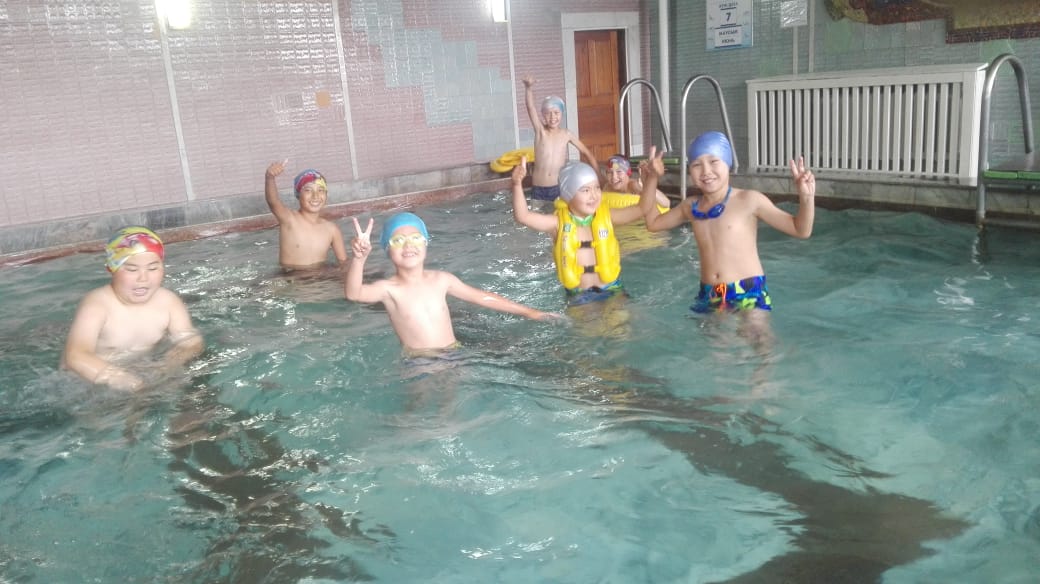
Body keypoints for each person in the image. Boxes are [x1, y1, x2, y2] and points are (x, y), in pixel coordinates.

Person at [639, 131, 816, 316]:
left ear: (728, 163)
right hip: (711, 292)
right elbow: (653, 224)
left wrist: (806, 197)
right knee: (714, 335)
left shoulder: (749, 200)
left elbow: (800, 230)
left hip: (747, 289)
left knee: (756, 333)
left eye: (714, 161)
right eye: (697, 165)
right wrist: (651, 180)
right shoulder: (690, 206)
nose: (706, 171)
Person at [344, 212, 562, 354]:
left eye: (415, 238)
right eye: (398, 240)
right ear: (387, 249)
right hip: (420, 363)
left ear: (426, 244)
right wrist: (359, 259)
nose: (408, 245)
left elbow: (481, 297)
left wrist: (529, 312)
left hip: (454, 353)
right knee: (421, 406)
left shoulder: (442, 280)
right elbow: (354, 294)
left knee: (451, 405)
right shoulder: (388, 289)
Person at [62, 226, 204, 391]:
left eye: (153, 268)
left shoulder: (168, 302)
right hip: (90, 382)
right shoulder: (97, 305)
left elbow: (190, 342)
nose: (143, 278)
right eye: (132, 269)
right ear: (112, 268)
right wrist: (122, 379)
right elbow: (76, 356)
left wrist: (166, 366)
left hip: (140, 372)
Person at [510, 158, 647, 305]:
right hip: (580, 297)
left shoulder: (608, 216)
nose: (594, 195)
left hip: (613, 288)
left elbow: (642, 208)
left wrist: (649, 180)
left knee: (625, 319)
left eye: (597, 188)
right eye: (586, 190)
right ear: (568, 194)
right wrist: (517, 184)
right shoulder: (557, 224)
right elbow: (523, 217)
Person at [521, 74, 598, 201]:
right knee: (536, 213)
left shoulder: (566, 134)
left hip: (557, 187)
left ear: (562, 113)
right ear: (543, 115)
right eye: (548, 114)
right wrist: (528, 88)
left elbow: (587, 153)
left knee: (557, 213)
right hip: (538, 188)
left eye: (556, 113)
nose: (552, 117)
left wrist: (597, 176)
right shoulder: (541, 132)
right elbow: (530, 108)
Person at [264, 160, 348, 269]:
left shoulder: (332, 229)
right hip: (291, 277)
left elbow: (344, 263)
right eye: (308, 190)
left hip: (321, 276)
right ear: (298, 195)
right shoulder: (289, 219)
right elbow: (273, 201)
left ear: (326, 195)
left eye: (320, 190)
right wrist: (270, 178)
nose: (315, 196)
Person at [603, 154, 671, 209]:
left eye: (619, 172)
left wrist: (646, 186)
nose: (614, 177)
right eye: (609, 172)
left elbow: (666, 203)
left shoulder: (634, 186)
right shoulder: (608, 187)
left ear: (628, 173)